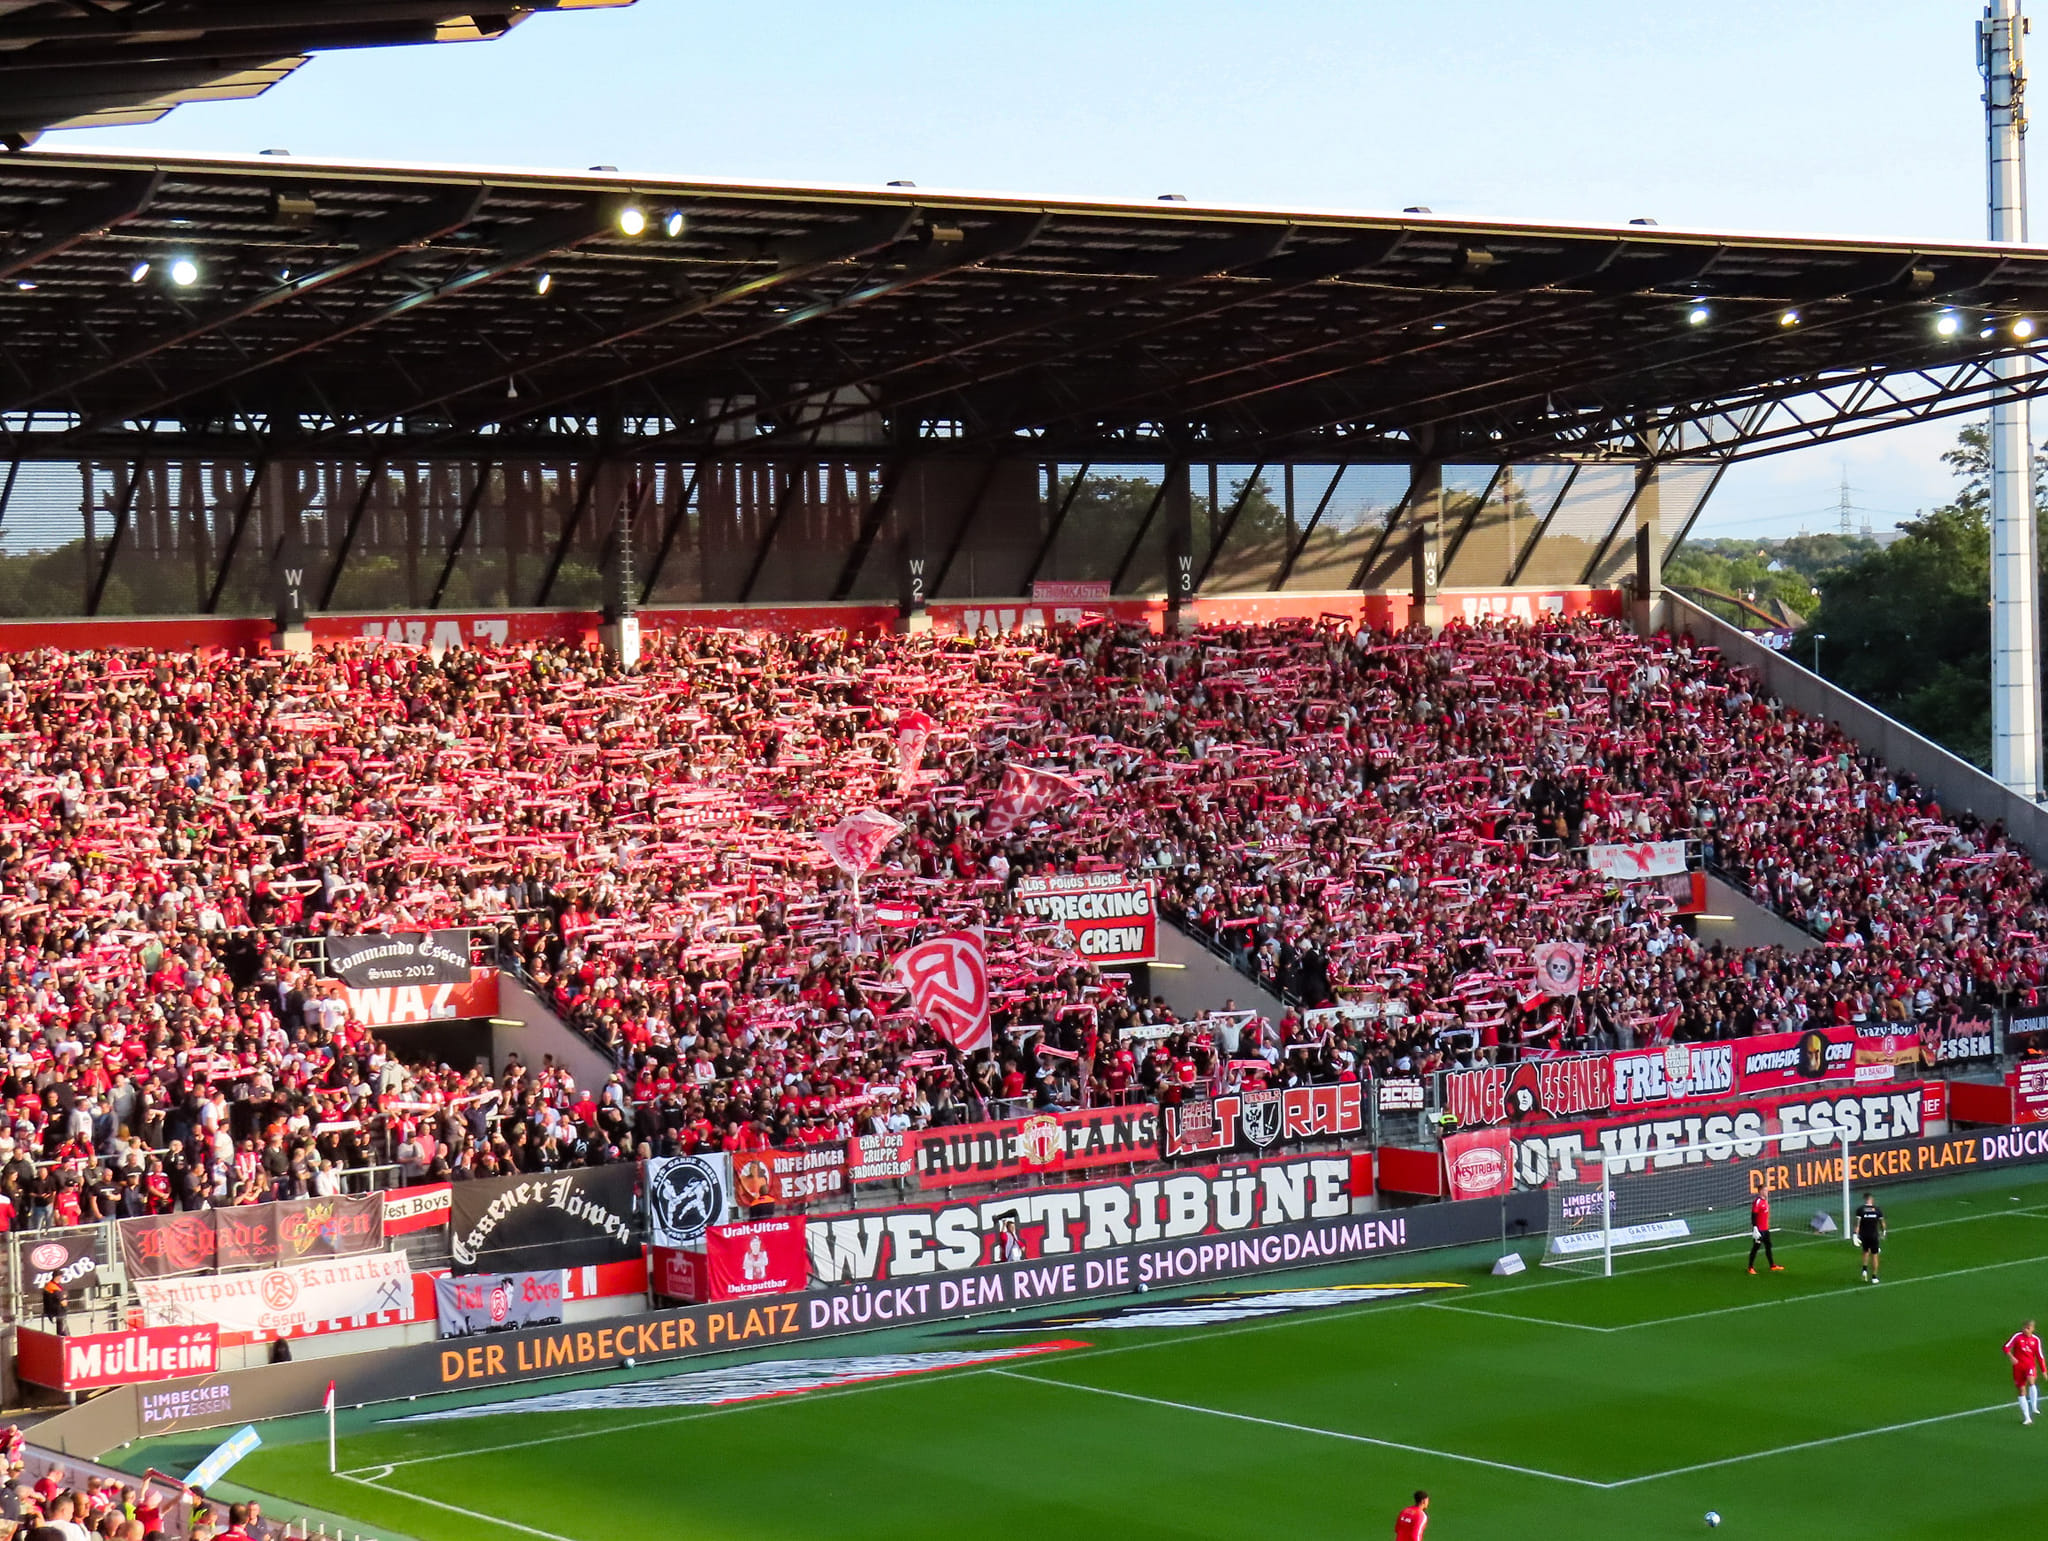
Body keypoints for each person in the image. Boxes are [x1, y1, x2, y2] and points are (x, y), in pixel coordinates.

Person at [2005, 1319, 2044, 1425]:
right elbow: (2006, 1347)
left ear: (2032, 1329)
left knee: (2031, 1382)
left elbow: (2040, 1355)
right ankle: (2027, 1417)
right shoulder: (2017, 1337)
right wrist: (2011, 1357)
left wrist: (2044, 1370)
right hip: (2018, 1368)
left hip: (2029, 1365)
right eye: (2024, 1328)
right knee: (2021, 1391)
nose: (2025, 1330)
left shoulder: (2036, 1340)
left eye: (2028, 1328)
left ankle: (2034, 1407)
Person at [1747, 1187, 1781, 1273]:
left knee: (1768, 1246)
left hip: (1766, 1230)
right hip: (1759, 1230)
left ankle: (1772, 1265)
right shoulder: (1757, 1202)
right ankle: (1750, 1267)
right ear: (1761, 1191)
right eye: (1765, 1190)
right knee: (1756, 1248)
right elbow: (1753, 1215)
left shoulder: (1765, 1201)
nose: (1767, 1192)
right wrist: (1755, 1228)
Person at [1853, 1191, 1885, 1283]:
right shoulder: (1877, 1210)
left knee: (1865, 1251)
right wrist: (1884, 1232)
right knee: (1874, 1255)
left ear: (1865, 1199)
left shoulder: (1860, 1210)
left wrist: (1855, 1235)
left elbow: (1857, 1224)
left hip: (1864, 1235)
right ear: (1871, 1199)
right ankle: (1874, 1277)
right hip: (1874, 1235)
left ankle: (1864, 1269)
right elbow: (1882, 1223)